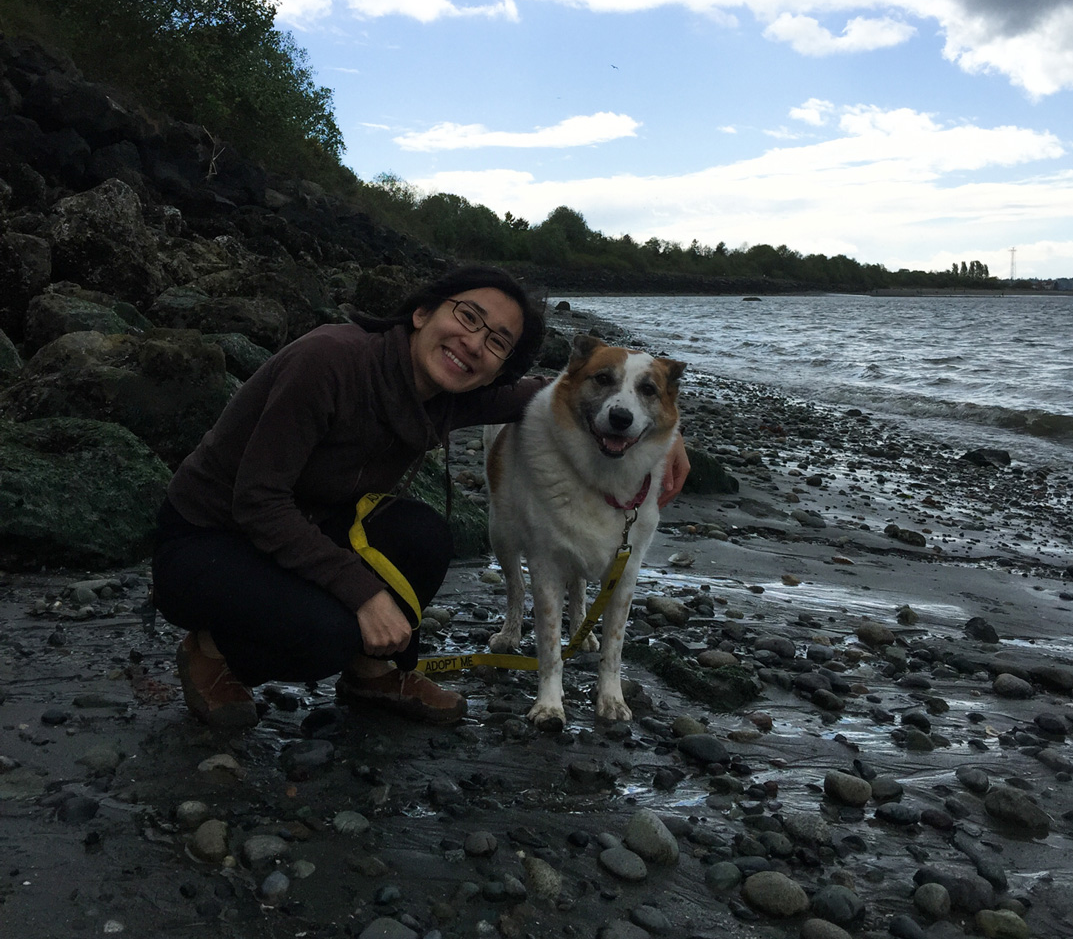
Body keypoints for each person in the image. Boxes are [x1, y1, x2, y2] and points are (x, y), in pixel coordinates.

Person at [152, 265, 690, 729]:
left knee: (425, 536)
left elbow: (565, 394)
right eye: (469, 317)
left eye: (497, 342)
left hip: (310, 524)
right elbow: (258, 502)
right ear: (421, 312)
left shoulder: (447, 392)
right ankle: (209, 651)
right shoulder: (327, 360)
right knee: (324, 634)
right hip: (209, 538)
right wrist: (363, 594)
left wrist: (660, 428)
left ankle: (372, 674)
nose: (474, 343)